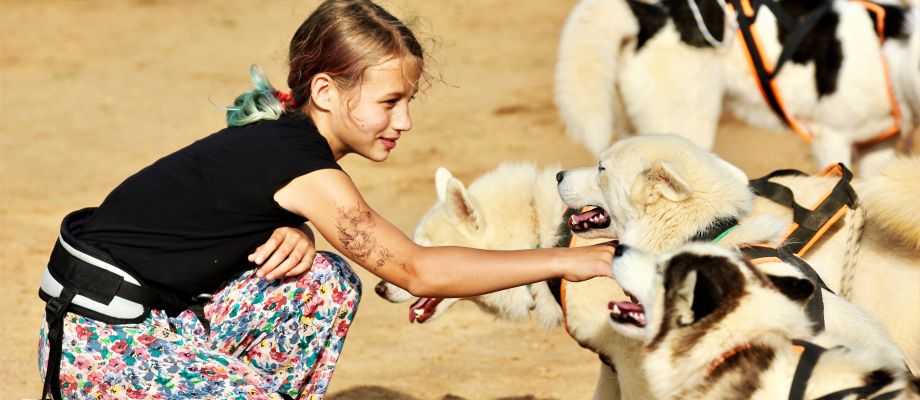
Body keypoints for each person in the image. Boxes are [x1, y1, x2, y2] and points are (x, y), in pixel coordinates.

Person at [36, 0, 616, 399]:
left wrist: (298, 228)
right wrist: (569, 259)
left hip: (153, 325)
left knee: (325, 280)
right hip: (98, 348)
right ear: (325, 92)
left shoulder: (283, 149)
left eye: (408, 100)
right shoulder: (296, 164)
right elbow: (418, 269)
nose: (405, 120)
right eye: (390, 102)